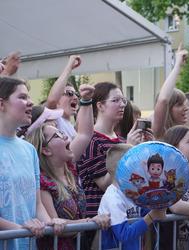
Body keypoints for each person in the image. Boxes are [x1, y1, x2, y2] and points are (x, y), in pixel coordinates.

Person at [26, 84, 110, 249]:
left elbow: (85, 134)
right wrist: (90, 221)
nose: (64, 133)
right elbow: (54, 224)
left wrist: (86, 101)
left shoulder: (69, 168)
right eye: (56, 131)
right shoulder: (42, 181)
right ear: (45, 149)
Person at [0, 76, 65, 249]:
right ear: (1, 104)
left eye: (29, 97)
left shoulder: (29, 150)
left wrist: (49, 222)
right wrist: (20, 229)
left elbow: (36, 205)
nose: (30, 102)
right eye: (22, 97)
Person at [76, 82, 142, 242]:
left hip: (124, 217)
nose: (122, 105)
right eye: (116, 100)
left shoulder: (120, 140)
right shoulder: (91, 140)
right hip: (100, 222)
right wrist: (130, 150)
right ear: (100, 105)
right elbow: (105, 184)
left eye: (123, 100)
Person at [98, 144, 166, 250]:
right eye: (136, 166)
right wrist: (152, 216)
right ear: (123, 169)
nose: (142, 171)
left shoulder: (132, 193)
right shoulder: (113, 197)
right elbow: (123, 235)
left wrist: (160, 205)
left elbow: (148, 214)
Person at [152, 43, 189, 139]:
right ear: (167, 109)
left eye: (185, 104)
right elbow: (163, 100)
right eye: (180, 104)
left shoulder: (186, 133)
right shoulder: (161, 134)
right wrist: (177, 65)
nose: (186, 108)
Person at [46, 55, 81, 140]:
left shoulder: (72, 126)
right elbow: (52, 100)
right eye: (70, 93)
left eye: (76, 94)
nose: (75, 97)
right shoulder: (55, 119)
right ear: (58, 100)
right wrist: (70, 66)